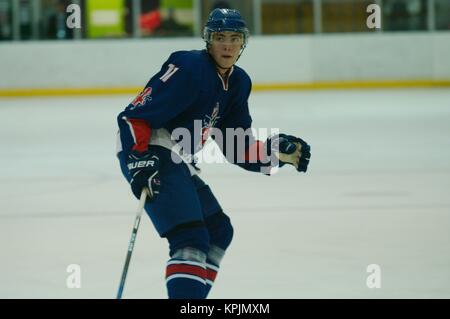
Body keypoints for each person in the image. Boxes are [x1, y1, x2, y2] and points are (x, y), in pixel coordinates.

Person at [116, 8, 311, 299]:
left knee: (218, 231)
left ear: (243, 42)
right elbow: (133, 117)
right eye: (220, 37)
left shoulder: (238, 83)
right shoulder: (189, 67)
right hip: (151, 153)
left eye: (235, 38)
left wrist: (276, 153)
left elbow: (237, 147)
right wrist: (138, 160)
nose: (228, 45)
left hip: (178, 160)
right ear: (208, 39)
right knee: (190, 239)